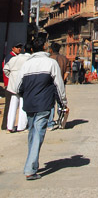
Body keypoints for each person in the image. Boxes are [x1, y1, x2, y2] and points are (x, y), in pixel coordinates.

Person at [16, 36, 68, 180]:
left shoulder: (26, 65)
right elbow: (59, 85)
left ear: (32, 49)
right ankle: (30, 169)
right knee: (38, 134)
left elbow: (18, 87)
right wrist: (63, 103)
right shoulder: (51, 63)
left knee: (32, 133)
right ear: (45, 48)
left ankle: (32, 163)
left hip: (29, 104)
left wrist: (26, 96)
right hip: (44, 104)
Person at [3, 44, 31, 133]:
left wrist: (11, 77)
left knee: (12, 106)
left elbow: (5, 69)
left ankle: (10, 126)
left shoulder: (14, 58)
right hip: (24, 85)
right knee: (23, 105)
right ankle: (21, 126)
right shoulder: (30, 60)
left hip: (13, 86)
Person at [47, 42, 70, 130]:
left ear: (51, 50)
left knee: (51, 103)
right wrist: (62, 81)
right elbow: (67, 72)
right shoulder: (64, 59)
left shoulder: (49, 59)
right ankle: (61, 122)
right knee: (61, 103)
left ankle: (50, 123)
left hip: (50, 84)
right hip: (61, 84)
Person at [1, 43, 23, 131]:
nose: (19, 49)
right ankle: (5, 125)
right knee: (9, 106)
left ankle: (7, 125)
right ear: (12, 48)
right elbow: (5, 70)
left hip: (12, 84)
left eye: (20, 47)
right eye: (17, 47)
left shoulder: (16, 57)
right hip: (10, 85)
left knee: (11, 105)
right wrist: (8, 82)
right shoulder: (10, 58)